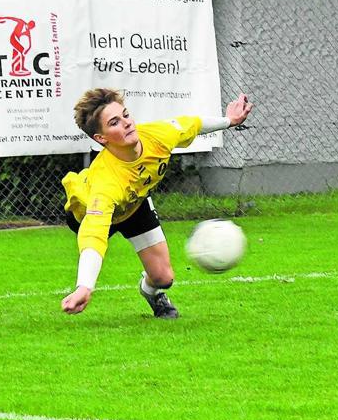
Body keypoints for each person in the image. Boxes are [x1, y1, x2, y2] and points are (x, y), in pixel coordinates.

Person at [59, 88, 253, 318]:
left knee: (164, 279)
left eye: (126, 115)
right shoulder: (106, 184)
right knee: (96, 237)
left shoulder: (157, 136)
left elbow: (193, 124)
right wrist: (85, 286)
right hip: (91, 214)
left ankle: (150, 291)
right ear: (101, 138)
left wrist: (229, 121)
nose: (127, 123)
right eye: (114, 123)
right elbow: (93, 235)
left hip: (135, 206)